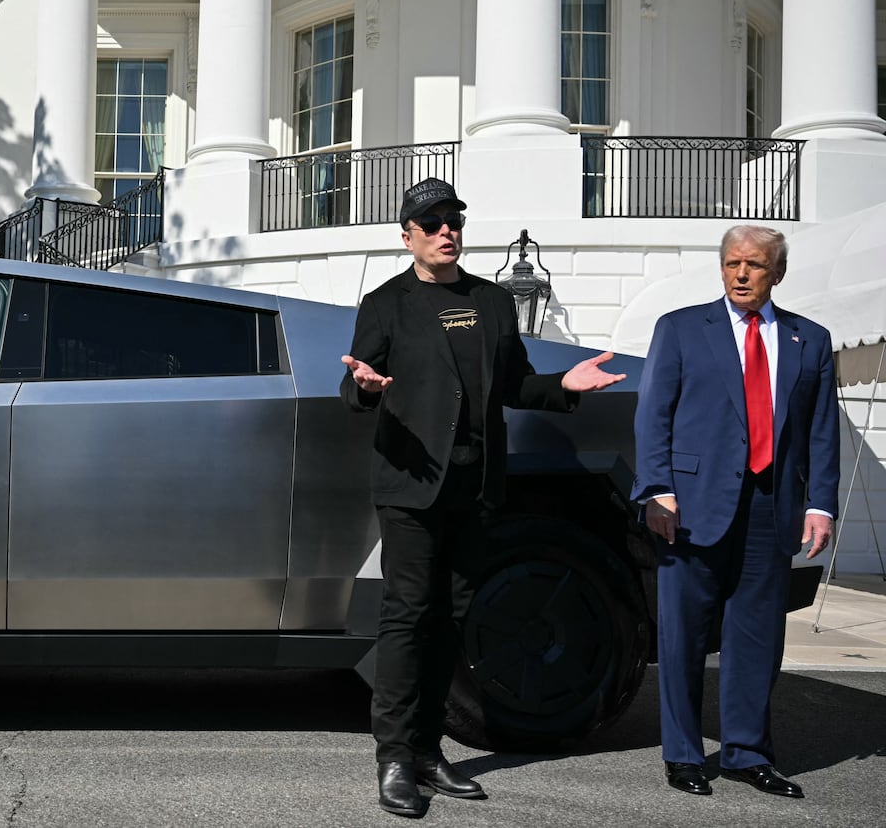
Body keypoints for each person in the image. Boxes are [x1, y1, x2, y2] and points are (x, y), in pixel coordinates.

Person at [341, 177, 625, 817]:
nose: (447, 230)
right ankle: (393, 756)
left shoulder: (494, 302)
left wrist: (565, 385)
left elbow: (517, 383)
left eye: (454, 220)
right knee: (408, 616)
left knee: (453, 617)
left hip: (475, 485)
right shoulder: (386, 304)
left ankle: (428, 750)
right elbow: (355, 387)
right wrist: (364, 386)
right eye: (433, 222)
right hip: (412, 484)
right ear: (408, 235)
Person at [633, 224, 838, 799]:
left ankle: (748, 754)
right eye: (732, 263)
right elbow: (654, 415)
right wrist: (654, 489)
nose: (741, 274)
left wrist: (820, 504)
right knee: (684, 635)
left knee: (758, 637)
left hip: (773, 508)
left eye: (754, 264)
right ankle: (684, 754)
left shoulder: (810, 339)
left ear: (778, 272)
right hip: (689, 507)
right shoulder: (679, 329)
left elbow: (822, 431)